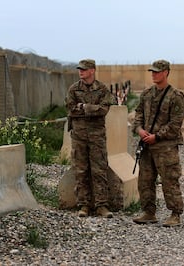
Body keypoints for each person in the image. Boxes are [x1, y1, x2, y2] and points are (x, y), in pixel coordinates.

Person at [132, 59, 184, 227]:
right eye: (152, 71)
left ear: (166, 72)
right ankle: (149, 212)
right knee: (145, 180)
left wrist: (157, 136)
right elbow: (138, 114)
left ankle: (175, 214)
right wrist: (139, 130)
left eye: (157, 71)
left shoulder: (176, 96)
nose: (154, 74)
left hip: (165, 146)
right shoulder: (147, 94)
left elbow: (175, 124)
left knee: (169, 180)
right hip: (147, 145)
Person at [65, 59, 116, 218]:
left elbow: (103, 110)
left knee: (99, 170)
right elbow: (71, 109)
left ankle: (101, 205)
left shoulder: (102, 89)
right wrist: (90, 109)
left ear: (92, 71)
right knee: (81, 170)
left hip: (97, 136)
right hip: (79, 136)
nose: (81, 72)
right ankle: (84, 205)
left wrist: (84, 107)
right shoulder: (74, 89)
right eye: (79, 69)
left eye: (84, 69)